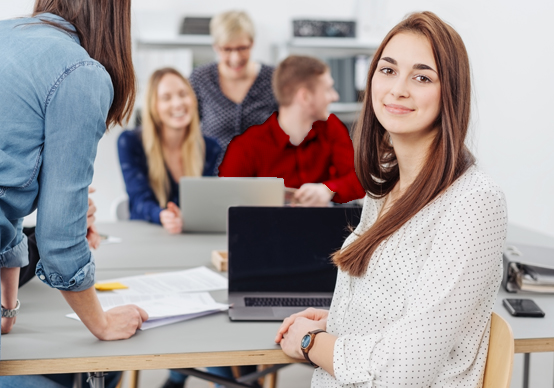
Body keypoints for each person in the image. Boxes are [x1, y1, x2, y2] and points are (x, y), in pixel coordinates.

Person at [275, 11, 507, 387]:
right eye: (387, 70)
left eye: (421, 76)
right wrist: (340, 322)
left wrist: (311, 342)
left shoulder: (475, 203)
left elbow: (403, 369)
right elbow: (399, 308)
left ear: (451, 92)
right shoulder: (386, 186)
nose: (398, 89)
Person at [0, 0, 148, 386]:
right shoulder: (80, 72)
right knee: (96, 368)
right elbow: (60, 241)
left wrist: (7, 308)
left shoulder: (6, 35)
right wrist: (100, 323)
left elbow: (5, 202)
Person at [219, 55, 365, 207]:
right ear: (305, 96)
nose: (334, 97)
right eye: (328, 89)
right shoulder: (245, 147)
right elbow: (226, 202)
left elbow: (359, 180)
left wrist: (327, 190)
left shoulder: (331, 127)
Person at [118, 68, 221, 234]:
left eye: (183, 94)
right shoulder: (131, 142)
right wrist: (163, 216)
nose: (178, 103)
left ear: (193, 100)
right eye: (166, 98)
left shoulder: (211, 147)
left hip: (191, 237)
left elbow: (211, 205)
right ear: (154, 106)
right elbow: (139, 200)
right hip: (147, 237)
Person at [189, 10, 278, 167]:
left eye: (242, 48)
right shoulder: (201, 79)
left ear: (252, 43)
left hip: (264, 177)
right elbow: (184, 130)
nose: (235, 58)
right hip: (214, 179)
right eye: (227, 49)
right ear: (216, 47)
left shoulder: (274, 78)